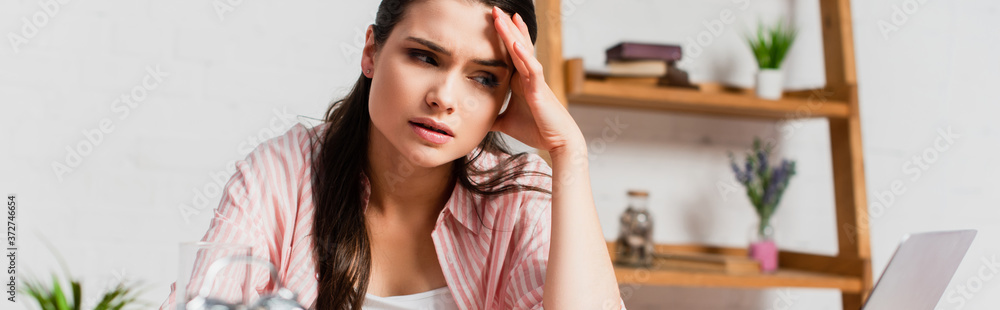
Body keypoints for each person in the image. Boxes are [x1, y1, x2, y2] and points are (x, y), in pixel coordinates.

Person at [161, 0, 624, 309]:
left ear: (506, 97)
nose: (444, 98)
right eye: (425, 57)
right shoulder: (283, 174)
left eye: (484, 79)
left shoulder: (521, 198)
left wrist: (569, 153)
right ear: (371, 52)